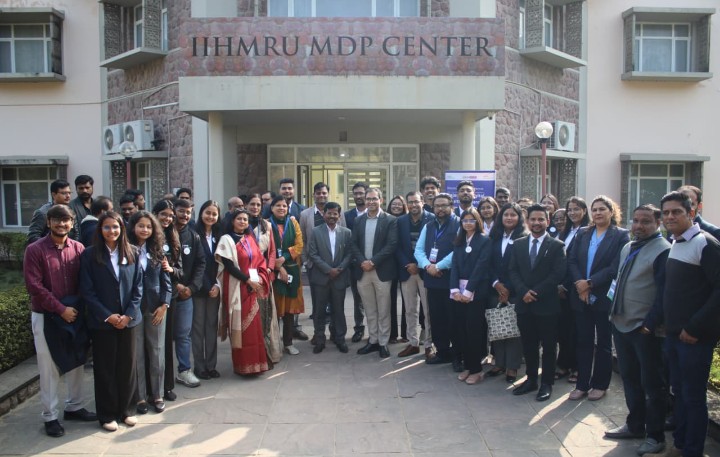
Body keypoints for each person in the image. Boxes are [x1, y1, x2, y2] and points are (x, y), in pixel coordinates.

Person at [645, 191, 720, 457]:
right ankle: (679, 444)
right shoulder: (676, 242)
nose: (670, 217)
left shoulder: (705, 243)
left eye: (676, 212)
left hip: (694, 338)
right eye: (666, 212)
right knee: (679, 394)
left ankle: (692, 451)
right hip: (674, 336)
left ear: (692, 213)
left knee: (693, 397)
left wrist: (695, 327)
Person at [24, 204, 97, 437]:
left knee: (76, 361)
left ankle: (74, 406)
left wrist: (74, 309)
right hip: (46, 315)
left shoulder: (78, 248)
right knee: (48, 368)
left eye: (66, 220)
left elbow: (85, 281)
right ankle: (50, 416)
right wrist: (60, 308)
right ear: (48, 222)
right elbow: (34, 286)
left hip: (74, 314)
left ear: (72, 223)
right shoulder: (35, 250)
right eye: (56, 219)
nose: (61, 224)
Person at [604, 204, 670, 456]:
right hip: (621, 323)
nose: (639, 226)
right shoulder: (628, 247)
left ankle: (655, 436)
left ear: (658, 223)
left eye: (646, 221)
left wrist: (649, 325)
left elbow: (663, 295)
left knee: (652, 384)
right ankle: (635, 425)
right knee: (630, 378)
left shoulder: (663, 251)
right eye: (636, 221)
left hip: (644, 330)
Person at [80, 212, 143, 431]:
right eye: (106, 227)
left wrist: (129, 314)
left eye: (115, 227)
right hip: (102, 322)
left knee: (127, 366)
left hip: (128, 320)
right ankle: (107, 414)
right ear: (100, 230)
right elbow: (87, 291)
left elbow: (138, 287)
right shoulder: (89, 255)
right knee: (105, 368)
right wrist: (108, 315)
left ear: (122, 229)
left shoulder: (133, 252)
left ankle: (127, 410)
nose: (111, 231)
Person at [567, 195, 629, 402]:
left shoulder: (621, 236)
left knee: (603, 343)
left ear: (612, 211)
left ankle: (600, 384)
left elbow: (615, 266)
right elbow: (572, 260)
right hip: (580, 295)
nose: (598, 213)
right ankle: (582, 384)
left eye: (602, 209)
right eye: (594, 210)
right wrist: (580, 284)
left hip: (603, 296)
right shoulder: (583, 233)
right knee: (583, 341)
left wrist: (590, 283)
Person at [508, 204, 567, 402]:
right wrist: (523, 291)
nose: (536, 223)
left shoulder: (557, 245)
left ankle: (546, 383)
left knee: (549, 347)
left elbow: (558, 274)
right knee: (529, 345)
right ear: (527, 221)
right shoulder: (518, 244)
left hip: (547, 305)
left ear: (547, 221)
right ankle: (531, 379)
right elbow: (512, 270)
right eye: (533, 219)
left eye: (541, 219)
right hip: (524, 304)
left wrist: (536, 292)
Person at [215, 209, 271, 375]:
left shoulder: (249, 239)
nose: (242, 222)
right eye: (239, 219)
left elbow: (260, 261)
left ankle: (258, 364)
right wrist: (247, 280)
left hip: (252, 288)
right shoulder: (226, 239)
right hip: (236, 288)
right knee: (240, 328)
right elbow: (229, 266)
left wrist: (259, 278)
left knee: (254, 329)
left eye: (245, 219)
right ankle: (243, 366)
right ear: (232, 221)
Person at [128, 211, 172, 415]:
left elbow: (166, 282)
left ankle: (158, 394)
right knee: (137, 353)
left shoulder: (158, 251)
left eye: (148, 226)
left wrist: (165, 305)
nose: (144, 229)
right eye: (141, 226)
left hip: (156, 308)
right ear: (133, 227)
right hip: (134, 309)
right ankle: (140, 396)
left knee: (157, 351)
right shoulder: (125, 250)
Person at [415, 193, 461, 368]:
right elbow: (419, 250)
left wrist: (439, 266)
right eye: (437, 206)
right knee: (437, 318)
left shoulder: (459, 224)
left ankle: (457, 356)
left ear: (451, 206)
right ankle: (442, 352)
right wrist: (428, 266)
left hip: (451, 280)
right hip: (432, 280)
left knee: (453, 319)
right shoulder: (429, 225)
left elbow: (458, 250)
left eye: (444, 205)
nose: (440, 209)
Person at [352, 188, 398, 359]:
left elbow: (392, 245)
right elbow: (353, 244)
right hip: (363, 271)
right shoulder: (358, 220)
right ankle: (373, 340)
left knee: (384, 309)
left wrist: (373, 262)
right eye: (368, 199)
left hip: (381, 271)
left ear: (381, 200)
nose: (371, 202)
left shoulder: (390, 220)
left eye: (374, 199)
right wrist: (363, 262)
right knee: (370, 309)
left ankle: (383, 343)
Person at [300, 182, 346, 341]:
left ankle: (336, 334)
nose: (321, 195)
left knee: (336, 305)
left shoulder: (338, 212)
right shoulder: (305, 214)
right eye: (318, 193)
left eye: (324, 193)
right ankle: (318, 335)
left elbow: (344, 239)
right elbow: (303, 239)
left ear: (328, 194)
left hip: (337, 268)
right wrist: (306, 261)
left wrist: (339, 267)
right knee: (318, 303)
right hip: (315, 266)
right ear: (314, 195)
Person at [450, 208, 492, 385]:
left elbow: (481, 267)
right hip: (459, 294)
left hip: (476, 292)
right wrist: (455, 290)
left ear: (477, 222)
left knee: (474, 331)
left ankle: (477, 369)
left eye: (471, 220)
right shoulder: (459, 240)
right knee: (462, 330)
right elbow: (454, 266)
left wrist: (469, 291)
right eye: (465, 220)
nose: (468, 223)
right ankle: (468, 366)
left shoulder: (484, 240)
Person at [487, 202, 528, 383]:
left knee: (513, 329)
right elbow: (487, 263)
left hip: (515, 291)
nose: (509, 218)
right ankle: (499, 363)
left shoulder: (524, 238)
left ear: (519, 218)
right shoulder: (494, 237)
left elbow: (522, 267)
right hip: (495, 289)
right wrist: (496, 284)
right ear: (500, 217)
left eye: (513, 215)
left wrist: (508, 288)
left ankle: (512, 366)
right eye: (506, 215)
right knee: (497, 326)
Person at [307, 202, 353, 353]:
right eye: (329, 213)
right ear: (324, 214)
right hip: (321, 278)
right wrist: (328, 270)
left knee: (338, 310)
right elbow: (313, 253)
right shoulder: (315, 231)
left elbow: (349, 254)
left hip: (339, 277)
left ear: (339, 216)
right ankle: (320, 339)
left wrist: (339, 269)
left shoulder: (346, 232)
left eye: (335, 214)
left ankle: (340, 338)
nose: (332, 216)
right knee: (319, 311)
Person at [396, 191, 434, 359]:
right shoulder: (400, 221)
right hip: (407, 271)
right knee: (410, 309)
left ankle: (429, 344)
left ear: (422, 202)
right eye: (410, 202)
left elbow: (434, 245)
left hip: (426, 271)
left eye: (416, 201)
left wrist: (420, 265)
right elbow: (396, 246)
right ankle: (413, 343)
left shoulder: (432, 219)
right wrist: (408, 264)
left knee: (428, 310)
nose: (413, 205)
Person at [173, 198, 206, 388]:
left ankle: (184, 370)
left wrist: (192, 288)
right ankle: (160, 375)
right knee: (160, 339)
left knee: (184, 334)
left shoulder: (193, 236)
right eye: (181, 211)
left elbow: (201, 263)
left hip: (186, 294)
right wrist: (176, 285)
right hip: (165, 294)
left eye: (188, 212)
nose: (184, 215)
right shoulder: (162, 234)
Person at [556, 196, 590, 384]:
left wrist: (568, 284)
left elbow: (576, 262)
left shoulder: (588, 231)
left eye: (576, 209)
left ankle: (577, 368)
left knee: (577, 331)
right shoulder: (565, 232)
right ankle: (564, 364)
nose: (572, 213)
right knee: (563, 329)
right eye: (569, 209)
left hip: (577, 287)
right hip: (561, 289)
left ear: (584, 211)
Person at [152, 199, 183, 402]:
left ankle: (166, 386)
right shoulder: (147, 236)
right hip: (149, 298)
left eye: (171, 216)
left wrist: (172, 269)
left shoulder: (173, 237)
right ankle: (150, 389)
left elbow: (181, 270)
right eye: (163, 214)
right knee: (150, 346)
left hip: (169, 297)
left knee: (165, 344)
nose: (167, 218)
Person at [246, 194, 281, 364]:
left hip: (264, 275)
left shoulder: (266, 225)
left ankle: (268, 353)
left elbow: (272, 251)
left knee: (267, 315)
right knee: (252, 317)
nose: (255, 207)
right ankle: (253, 356)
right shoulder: (241, 223)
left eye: (258, 204)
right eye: (252, 204)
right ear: (246, 205)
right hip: (247, 276)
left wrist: (269, 268)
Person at [268, 195, 305, 355]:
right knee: (274, 309)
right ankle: (274, 344)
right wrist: (278, 266)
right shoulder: (266, 225)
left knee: (289, 310)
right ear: (272, 208)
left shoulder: (293, 223)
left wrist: (283, 258)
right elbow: (264, 248)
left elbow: (299, 245)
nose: (281, 208)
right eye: (278, 205)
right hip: (272, 271)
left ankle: (288, 343)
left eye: (284, 206)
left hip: (292, 270)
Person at [191, 201, 222, 379]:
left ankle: (211, 365)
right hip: (198, 288)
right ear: (201, 213)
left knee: (211, 326)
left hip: (215, 288)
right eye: (207, 213)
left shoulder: (219, 234)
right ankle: (199, 366)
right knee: (198, 328)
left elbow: (223, 263)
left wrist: (217, 285)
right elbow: (195, 264)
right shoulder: (193, 233)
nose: (210, 216)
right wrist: (206, 284)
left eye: (214, 214)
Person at [344, 182, 368, 343]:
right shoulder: (347, 216)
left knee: (374, 300)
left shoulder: (376, 214)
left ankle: (377, 331)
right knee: (357, 299)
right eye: (356, 193)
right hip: (354, 264)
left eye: (361, 193)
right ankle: (359, 329)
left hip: (373, 263)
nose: (358, 196)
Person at [387, 195, 409, 344]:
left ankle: (406, 333)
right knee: (390, 300)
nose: (396, 206)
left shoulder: (406, 221)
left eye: (399, 204)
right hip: (389, 264)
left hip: (405, 264)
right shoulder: (386, 219)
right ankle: (392, 334)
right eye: (394, 204)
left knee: (407, 301)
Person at [27, 179, 74, 245]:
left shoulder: (70, 210)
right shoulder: (43, 213)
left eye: (69, 193)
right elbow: (33, 236)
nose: (68, 196)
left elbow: (75, 233)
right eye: (64, 193)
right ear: (54, 195)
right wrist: (51, 247)